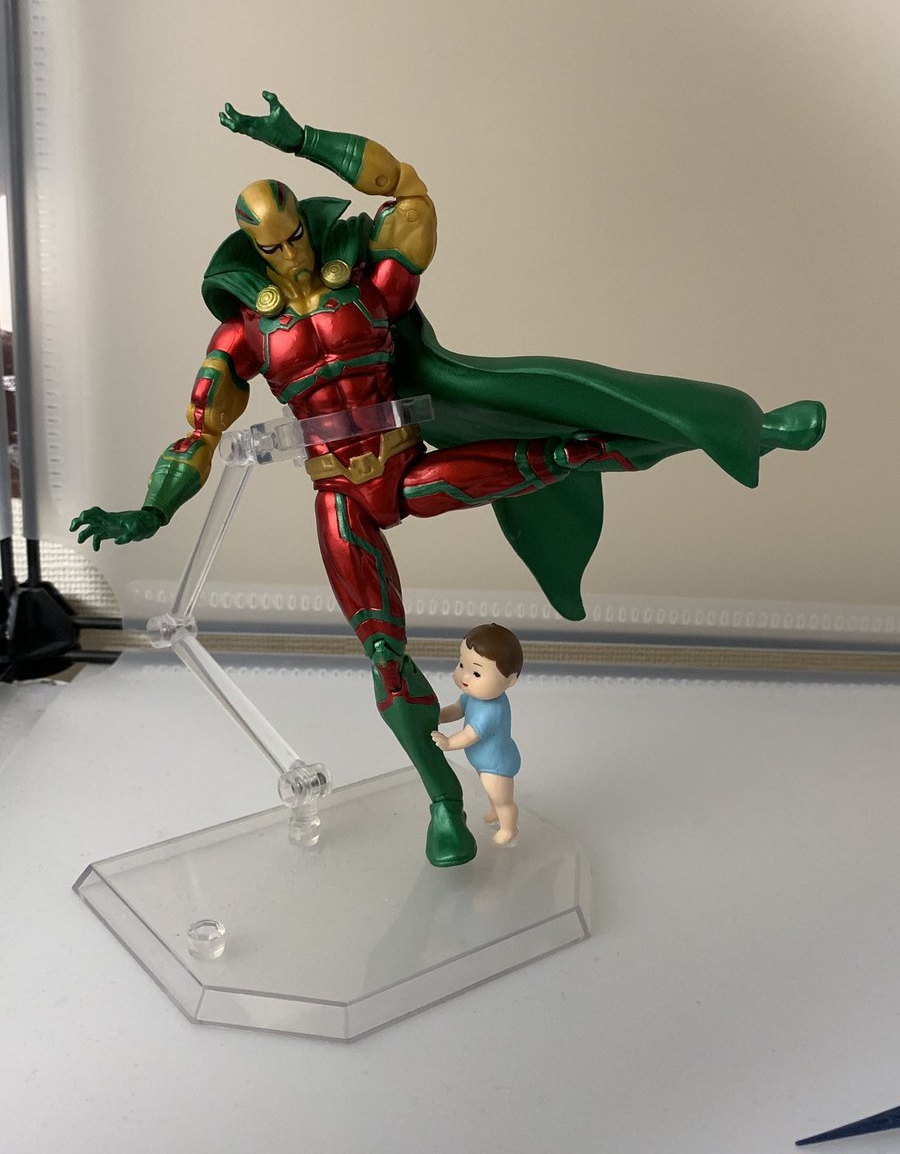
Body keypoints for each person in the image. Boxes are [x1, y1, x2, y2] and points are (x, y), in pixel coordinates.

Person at [71, 91, 826, 869]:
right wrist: (151, 511)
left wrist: (301, 138)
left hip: (408, 466)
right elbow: (201, 431)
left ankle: (752, 433)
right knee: (385, 656)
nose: (291, 253)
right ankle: (443, 804)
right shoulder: (242, 334)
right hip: (340, 497)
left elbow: (409, 192)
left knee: (568, 451)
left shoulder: (369, 284)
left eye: (296, 235)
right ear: (252, 250)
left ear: (307, 224)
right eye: (274, 245)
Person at [432, 625, 524, 848]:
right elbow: (457, 709)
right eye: (462, 664)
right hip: (482, 761)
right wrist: (439, 715)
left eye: (477, 673)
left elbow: (470, 735)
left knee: (502, 798)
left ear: (510, 680)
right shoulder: (473, 696)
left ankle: (509, 828)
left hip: (496, 764)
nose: (465, 676)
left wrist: (448, 742)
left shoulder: (492, 710)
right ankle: (495, 810)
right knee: (491, 791)